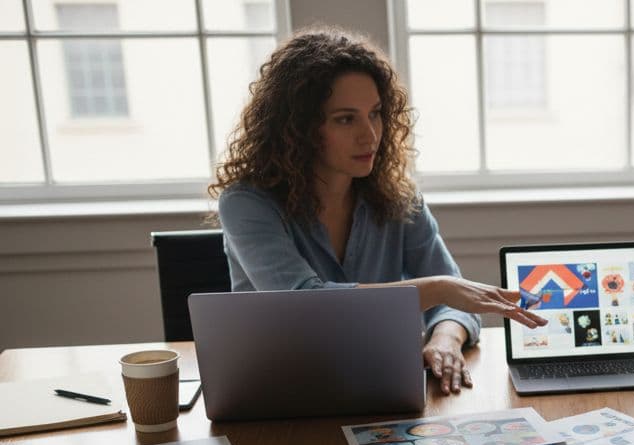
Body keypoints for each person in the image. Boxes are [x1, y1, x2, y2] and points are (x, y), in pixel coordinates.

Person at [210, 27, 544, 396]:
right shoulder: (245, 203)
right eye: (345, 119)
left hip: (381, 389)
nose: (370, 135)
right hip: (280, 394)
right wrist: (440, 289)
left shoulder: (398, 196)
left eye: (376, 114)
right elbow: (306, 305)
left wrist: (445, 339)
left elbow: (458, 306)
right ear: (298, 129)